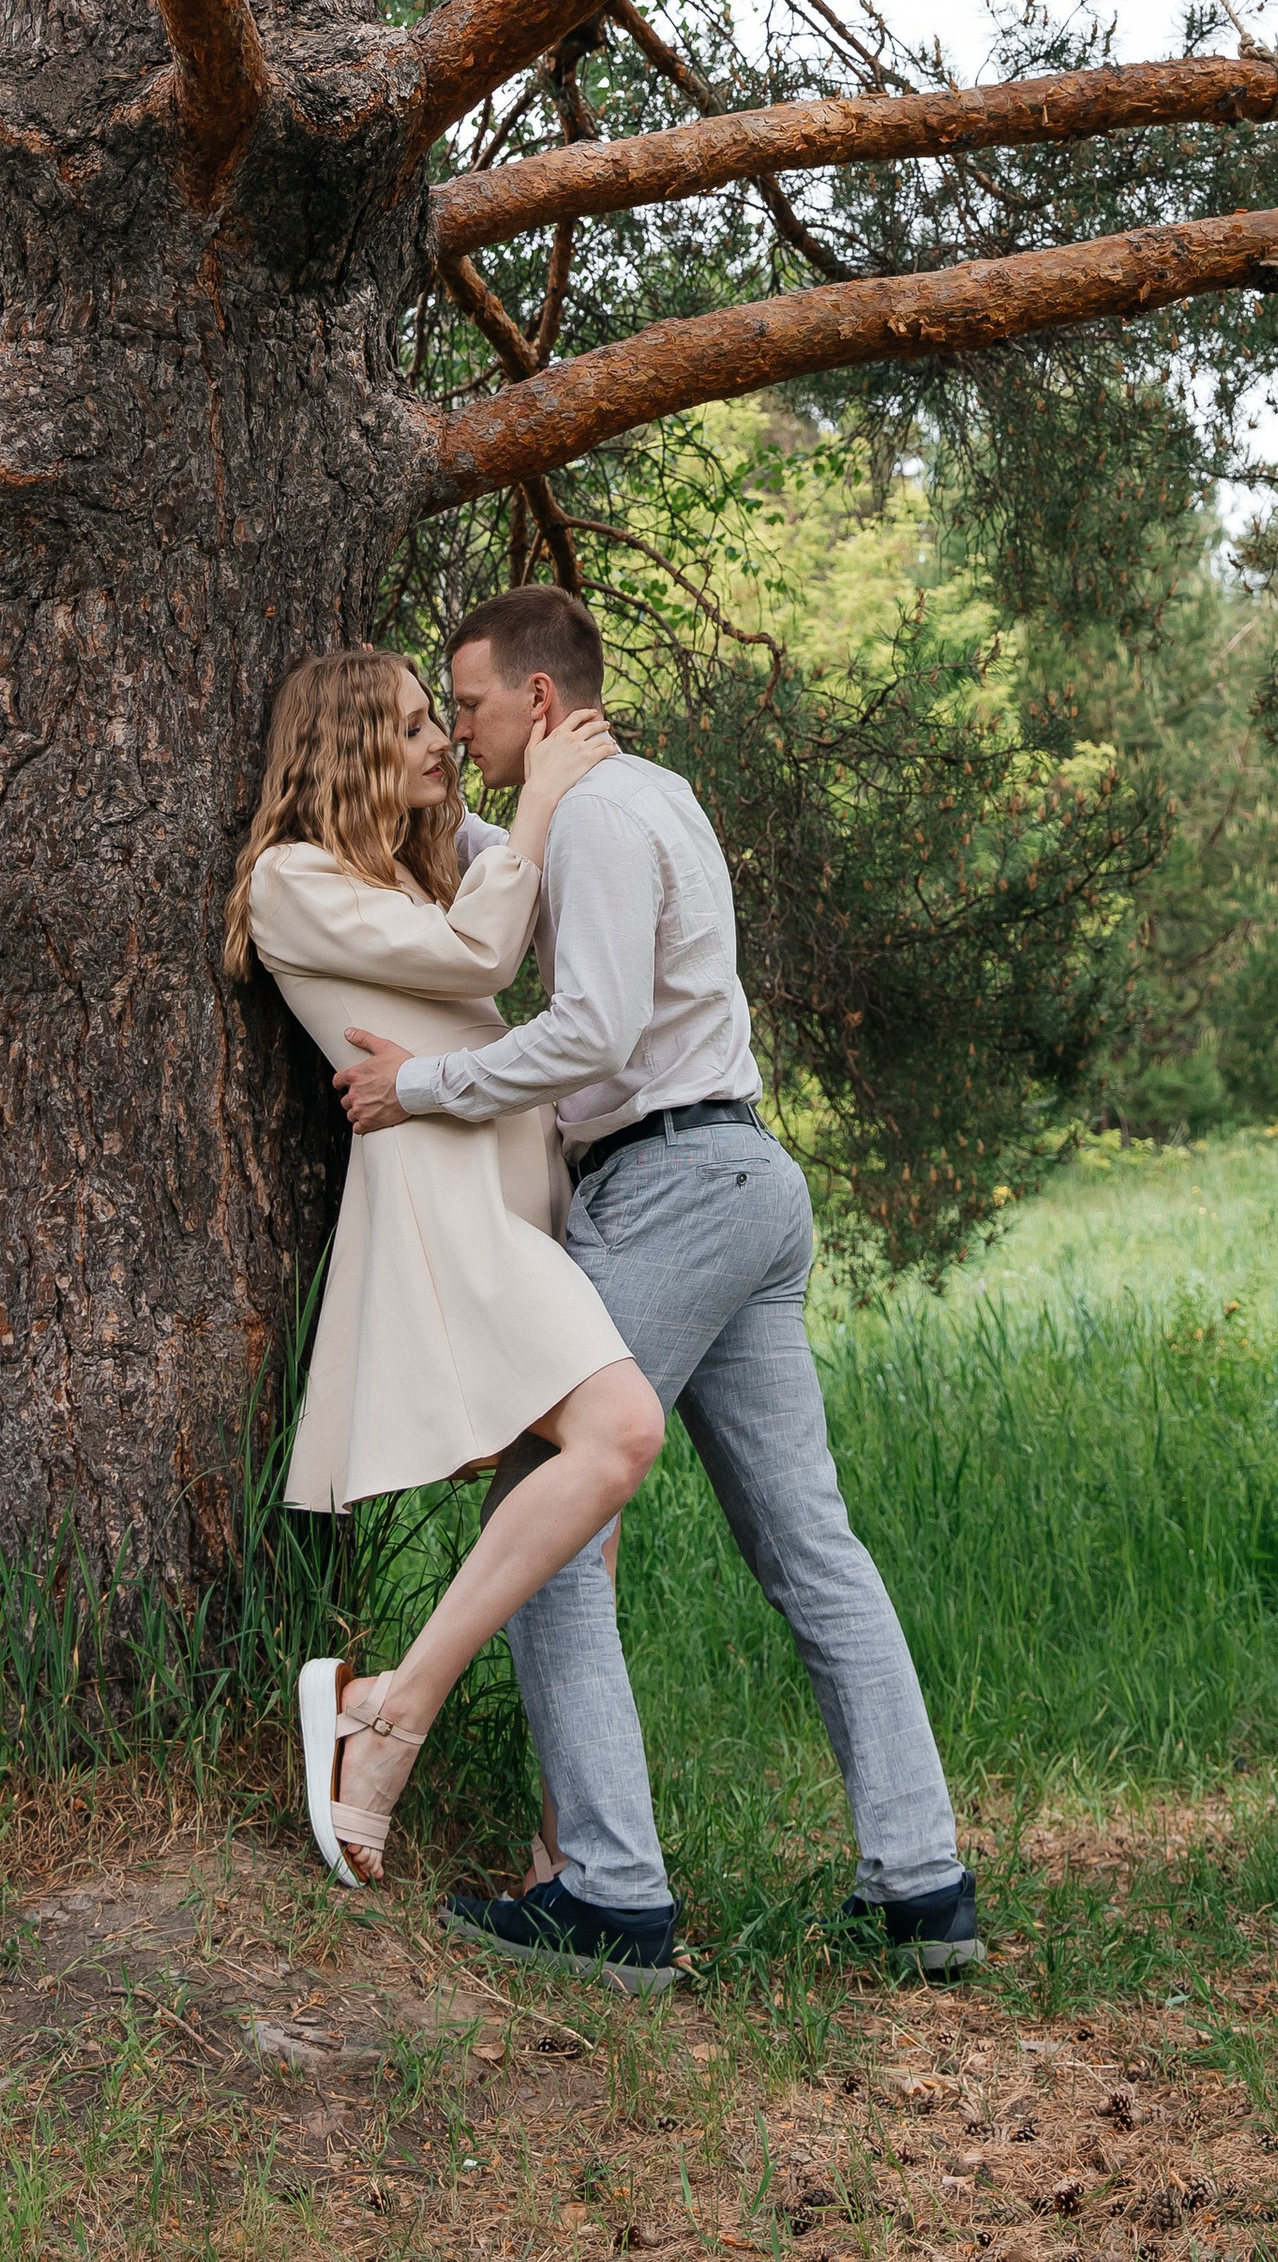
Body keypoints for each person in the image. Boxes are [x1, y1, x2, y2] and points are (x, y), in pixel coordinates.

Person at [333, 584, 982, 1992]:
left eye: (473, 705)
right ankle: (924, 1884)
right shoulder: (629, 807)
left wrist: (420, 1089)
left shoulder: (615, 818)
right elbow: (488, 873)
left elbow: (598, 1027)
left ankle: (612, 1900)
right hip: (739, 1180)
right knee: (811, 1549)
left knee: (546, 1508)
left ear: (543, 702)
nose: (461, 728)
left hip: (676, 1183)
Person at [229, 644, 667, 1891]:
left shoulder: (405, 879)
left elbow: (485, 934)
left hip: (518, 1203)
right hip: (451, 1218)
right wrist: (533, 804)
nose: (442, 745)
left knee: (586, 1537)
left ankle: (572, 1852)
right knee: (620, 1434)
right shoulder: (292, 882)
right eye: (417, 728)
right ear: (353, 747)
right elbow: (486, 963)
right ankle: (384, 1720)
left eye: (444, 719)